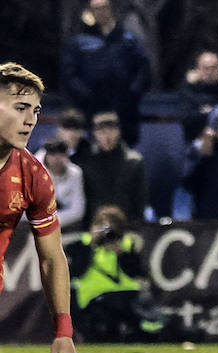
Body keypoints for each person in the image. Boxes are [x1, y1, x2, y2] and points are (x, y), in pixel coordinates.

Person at [0, 63, 78, 353]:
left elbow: (51, 257)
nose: (30, 119)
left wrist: (63, 330)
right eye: (20, 108)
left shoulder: (34, 175)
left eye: (35, 110)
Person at [66, 205, 174, 342]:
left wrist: (121, 254)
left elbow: (137, 274)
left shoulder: (126, 246)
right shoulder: (79, 246)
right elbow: (76, 272)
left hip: (127, 296)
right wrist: (92, 247)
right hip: (94, 299)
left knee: (148, 315)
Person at [60, 0, 150, 147]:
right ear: (90, 11)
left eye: (104, 8)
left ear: (111, 9)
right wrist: (86, 96)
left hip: (124, 108)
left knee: (124, 150)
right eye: (96, 8)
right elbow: (69, 75)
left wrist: (131, 94)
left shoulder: (128, 40)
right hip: (90, 109)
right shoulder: (78, 42)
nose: (101, 12)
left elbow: (143, 69)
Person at [80, 111, 147, 223]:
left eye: (111, 131)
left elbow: (140, 199)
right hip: (93, 226)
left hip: (126, 225)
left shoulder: (134, 162)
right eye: (102, 132)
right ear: (95, 134)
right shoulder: (85, 161)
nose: (107, 136)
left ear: (118, 131)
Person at [41, 140, 86, 229]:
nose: (57, 159)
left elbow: (78, 211)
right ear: (46, 156)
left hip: (65, 225)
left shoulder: (75, 173)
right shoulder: (34, 173)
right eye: (53, 155)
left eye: (61, 155)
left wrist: (51, 222)